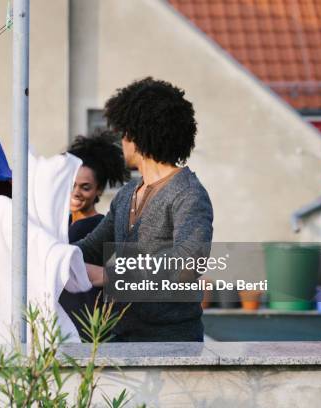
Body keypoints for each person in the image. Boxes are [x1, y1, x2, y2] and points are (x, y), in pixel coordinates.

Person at [74, 77, 214, 342]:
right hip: (121, 337)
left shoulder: (189, 194)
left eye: (124, 132)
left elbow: (187, 264)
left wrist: (109, 276)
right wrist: (48, 255)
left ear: (138, 136)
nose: (121, 140)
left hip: (171, 344)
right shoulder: (127, 194)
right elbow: (91, 248)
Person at [59, 130, 130, 340]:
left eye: (85, 187)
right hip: (62, 326)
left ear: (98, 190)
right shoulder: (62, 225)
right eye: (72, 185)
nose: (76, 192)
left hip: (86, 328)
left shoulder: (99, 227)